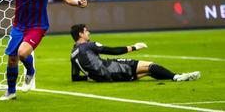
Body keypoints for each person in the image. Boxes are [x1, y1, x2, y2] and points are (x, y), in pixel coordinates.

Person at [70, 24, 200, 82]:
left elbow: (75, 78)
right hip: (113, 69)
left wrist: (91, 77)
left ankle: (176, 76)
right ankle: (177, 77)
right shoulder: (89, 45)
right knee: (149, 65)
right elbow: (113, 51)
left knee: (148, 72)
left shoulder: (73, 53)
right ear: (81, 34)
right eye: (86, 31)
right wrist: (134, 47)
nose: (89, 33)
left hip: (103, 77)